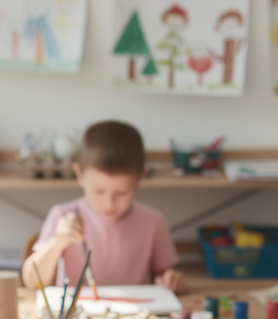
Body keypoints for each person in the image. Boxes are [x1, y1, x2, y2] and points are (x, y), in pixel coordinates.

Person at [22, 120, 186, 294]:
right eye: (98, 191)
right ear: (79, 174)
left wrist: (172, 280)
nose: (109, 203)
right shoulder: (62, 215)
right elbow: (32, 281)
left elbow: (165, 276)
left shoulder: (153, 221)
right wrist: (58, 242)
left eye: (122, 192)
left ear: (140, 177)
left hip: (136, 318)